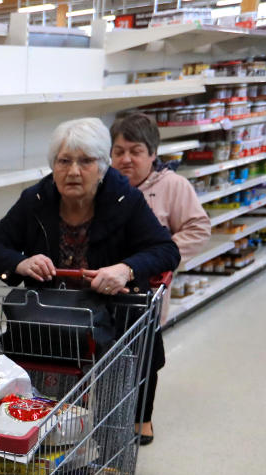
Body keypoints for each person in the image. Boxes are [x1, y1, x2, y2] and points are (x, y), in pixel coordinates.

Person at [0, 117, 179, 444]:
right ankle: (50, 454)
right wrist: (21, 262)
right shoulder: (36, 201)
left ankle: (110, 456)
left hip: (113, 315)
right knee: (46, 401)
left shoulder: (125, 201)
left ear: (102, 166)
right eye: (64, 161)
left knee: (116, 393)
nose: (73, 171)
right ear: (53, 165)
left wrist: (124, 269)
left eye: (86, 161)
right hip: (51, 319)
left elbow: (165, 250)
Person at [110, 112, 212, 445]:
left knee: (145, 356)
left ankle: (142, 418)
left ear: (152, 154)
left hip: (147, 289)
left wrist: (160, 254)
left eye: (135, 151)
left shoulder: (173, 187)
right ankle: (103, 414)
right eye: (119, 151)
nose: (126, 159)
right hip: (106, 284)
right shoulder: (105, 185)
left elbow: (198, 229)